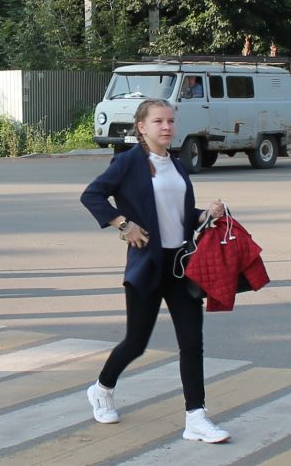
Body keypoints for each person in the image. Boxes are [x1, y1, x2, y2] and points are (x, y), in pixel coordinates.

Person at [80, 98, 232, 443]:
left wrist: (206, 214)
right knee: (136, 342)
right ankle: (102, 389)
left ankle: (196, 417)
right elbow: (92, 196)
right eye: (159, 121)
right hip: (147, 265)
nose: (167, 127)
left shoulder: (176, 165)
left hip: (181, 265)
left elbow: (179, 214)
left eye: (171, 121)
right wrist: (123, 224)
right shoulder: (128, 163)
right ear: (142, 127)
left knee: (192, 342)